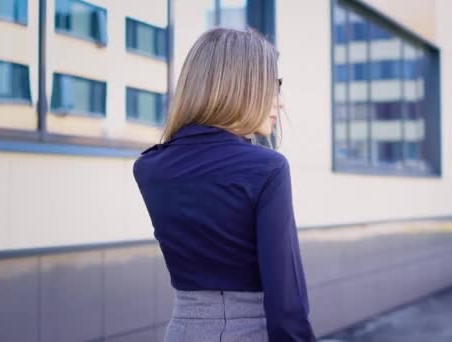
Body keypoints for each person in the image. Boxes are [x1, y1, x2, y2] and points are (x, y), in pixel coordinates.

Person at [132, 27, 316, 341]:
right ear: (241, 87)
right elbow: (286, 301)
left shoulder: (149, 166)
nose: (281, 103)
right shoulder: (267, 168)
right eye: (274, 86)